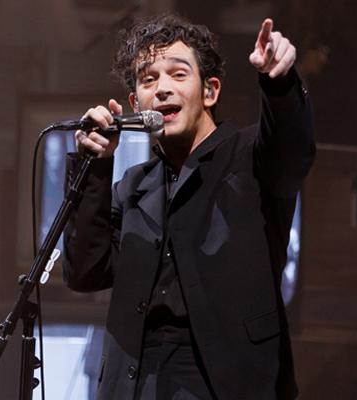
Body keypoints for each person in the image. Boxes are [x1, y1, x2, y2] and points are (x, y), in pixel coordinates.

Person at [63, 14, 313, 399]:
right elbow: (84, 271)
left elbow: (292, 151)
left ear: (210, 91)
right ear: (135, 104)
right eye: (149, 80)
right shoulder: (134, 186)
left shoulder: (251, 157)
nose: (162, 89)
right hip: (136, 382)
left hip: (223, 382)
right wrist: (95, 166)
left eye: (178, 75)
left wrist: (279, 83)